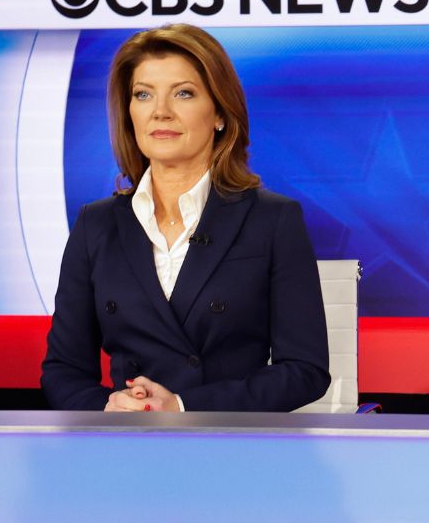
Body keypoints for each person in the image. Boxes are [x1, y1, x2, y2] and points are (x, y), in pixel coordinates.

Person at [42, 24, 330, 412]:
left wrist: (181, 406)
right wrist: (109, 408)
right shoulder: (97, 224)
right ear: (129, 114)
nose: (160, 111)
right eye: (143, 95)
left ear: (219, 114)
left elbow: (304, 371)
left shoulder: (273, 219)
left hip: (230, 450)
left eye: (183, 93)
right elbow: (63, 370)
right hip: (125, 449)